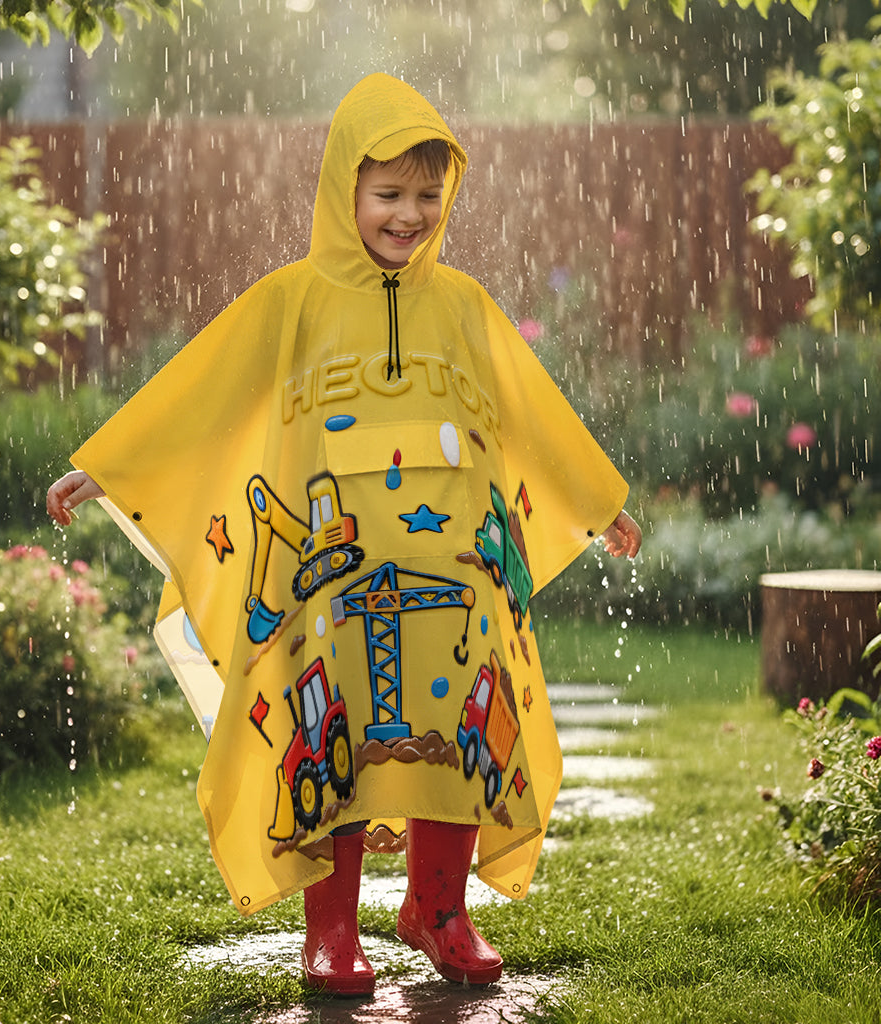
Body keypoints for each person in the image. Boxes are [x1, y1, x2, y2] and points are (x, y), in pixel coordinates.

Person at [47, 73, 641, 997]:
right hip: (335, 580)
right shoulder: (293, 301)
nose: (409, 216)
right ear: (343, 192)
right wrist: (114, 466)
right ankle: (331, 930)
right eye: (389, 195)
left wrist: (598, 500)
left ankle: (437, 909)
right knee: (336, 731)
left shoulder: (466, 307)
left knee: (460, 724)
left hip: (455, 579)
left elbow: (531, 413)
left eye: (427, 197)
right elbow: (207, 390)